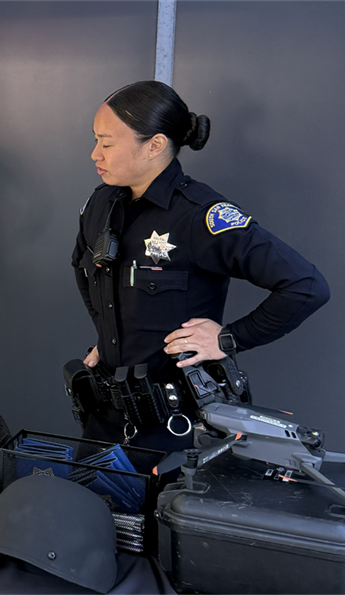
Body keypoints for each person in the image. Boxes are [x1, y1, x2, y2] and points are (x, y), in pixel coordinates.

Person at [72, 80, 329, 452]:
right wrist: (111, 337)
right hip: (106, 421)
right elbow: (84, 270)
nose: (95, 154)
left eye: (107, 143)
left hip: (178, 430)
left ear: (155, 145)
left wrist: (229, 338)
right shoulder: (100, 205)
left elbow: (306, 286)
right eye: (96, 140)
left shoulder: (201, 216)